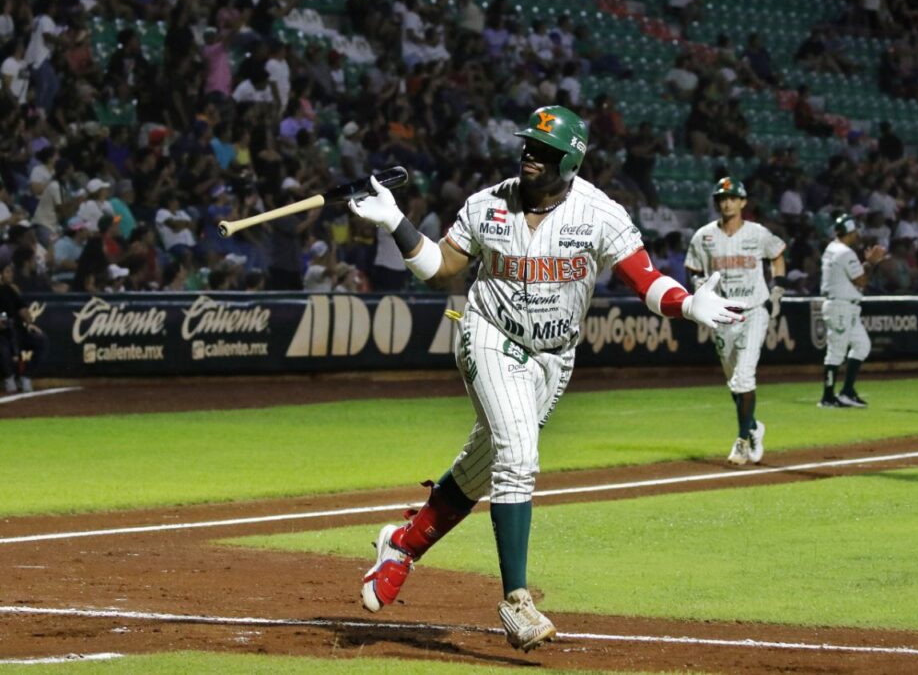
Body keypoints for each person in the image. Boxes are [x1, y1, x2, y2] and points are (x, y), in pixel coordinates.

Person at [347, 105, 743, 652]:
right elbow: (440, 267)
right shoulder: (488, 205)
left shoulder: (599, 214)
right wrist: (396, 222)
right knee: (517, 456)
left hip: (554, 357)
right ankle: (516, 602)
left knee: (484, 465)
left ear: (572, 160)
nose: (531, 154)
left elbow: (645, 280)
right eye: (528, 145)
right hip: (487, 332)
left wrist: (687, 304)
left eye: (546, 150)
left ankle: (402, 546)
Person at [684, 177, 787, 466]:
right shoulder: (704, 236)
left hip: (754, 309)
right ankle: (753, 426)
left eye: (731, 197)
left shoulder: (758, 233)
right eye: (721, 197)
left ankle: (742, 440)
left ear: (743, 202)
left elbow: (778, 254)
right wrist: (699, 286)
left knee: (744, 376)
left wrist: (777, 287)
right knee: (733, 381)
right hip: (723, 313)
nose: (726, 202)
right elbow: (692, 267)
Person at [818, 214, 887, 408]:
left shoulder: (831, 248)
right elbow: (862, 281)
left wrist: (865, 265)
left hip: (846, 306)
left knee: (862, 345)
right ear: (850, 232)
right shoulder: (844, 252)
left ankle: (847, 391)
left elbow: (855, 278)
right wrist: (872, 262)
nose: (857, 235)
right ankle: (828, 397)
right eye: (855, 231)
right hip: (840, 306)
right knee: (836, 352)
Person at [0, 255, 47, 393]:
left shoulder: (11, 290)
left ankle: (26, 377)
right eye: (7, 272)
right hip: (3, 335)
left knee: (41, 340)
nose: (10, 275)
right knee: (2, 348)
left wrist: (29, 323)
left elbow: (25, 312)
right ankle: (9, 378)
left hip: (17, 331)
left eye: (11, 272)